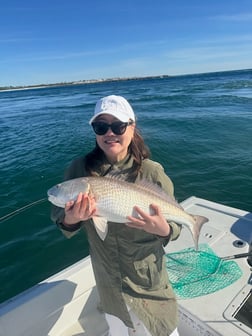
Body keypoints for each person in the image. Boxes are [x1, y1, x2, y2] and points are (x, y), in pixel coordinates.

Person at [51, 95, 181, 336]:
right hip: (108, 280)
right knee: (117, 330)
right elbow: (60, 217)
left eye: (118, 126)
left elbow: (174, 225)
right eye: (101, 127)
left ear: (132, 127)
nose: (109, 133)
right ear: (95, 131)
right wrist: (73, 218)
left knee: (162, 331)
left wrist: (163, 229)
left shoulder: (152, 172)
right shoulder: (79, 169)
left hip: (148, 282)